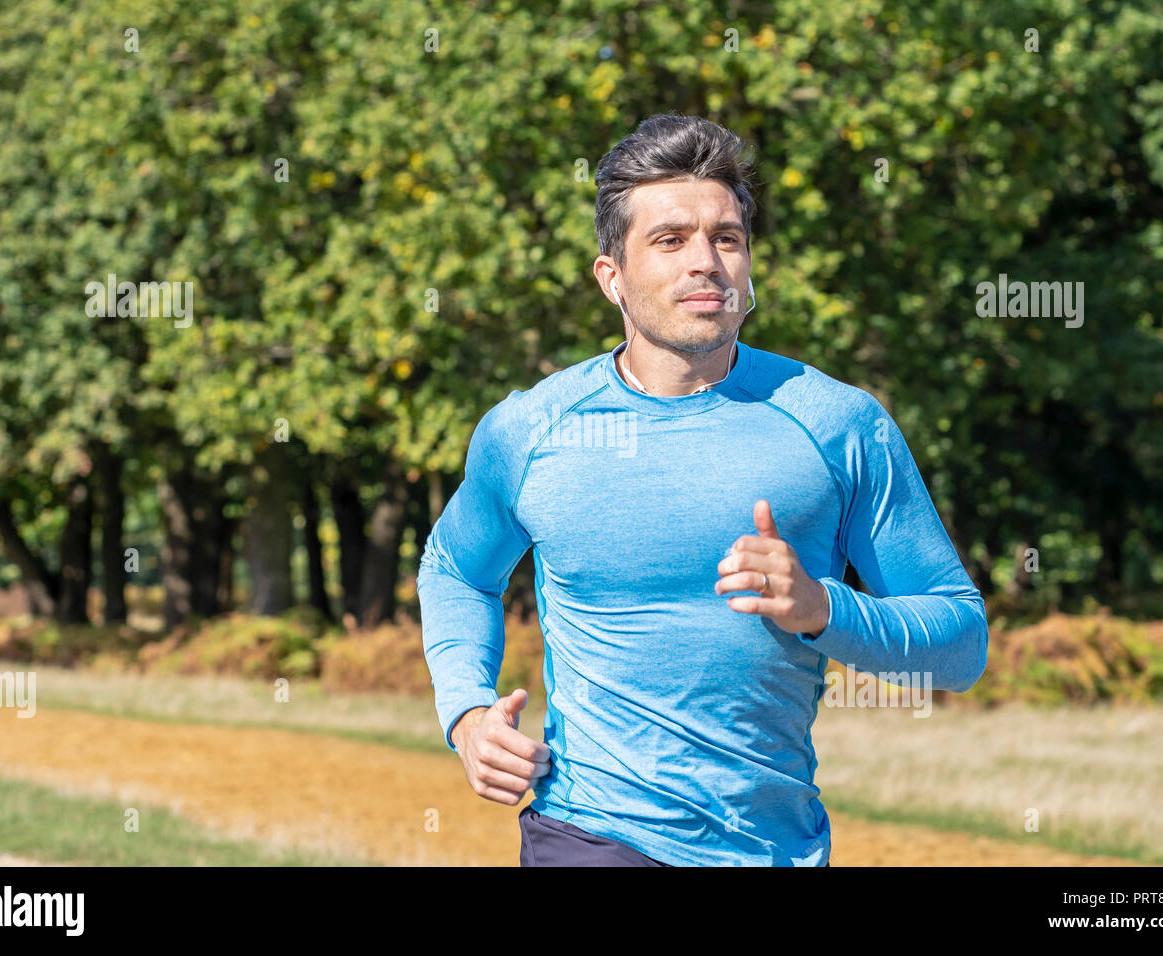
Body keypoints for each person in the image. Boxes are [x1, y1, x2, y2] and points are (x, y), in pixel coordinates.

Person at [418, 113, 988, 867]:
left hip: (774, 846)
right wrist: (466, 712)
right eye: (670, 239)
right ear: (610, 277)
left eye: (727, 238)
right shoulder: (531, 431)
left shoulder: (838, 423)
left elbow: (961, 642)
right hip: (588, 833)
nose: (707, 262)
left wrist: (826, 609)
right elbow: (457, 569)